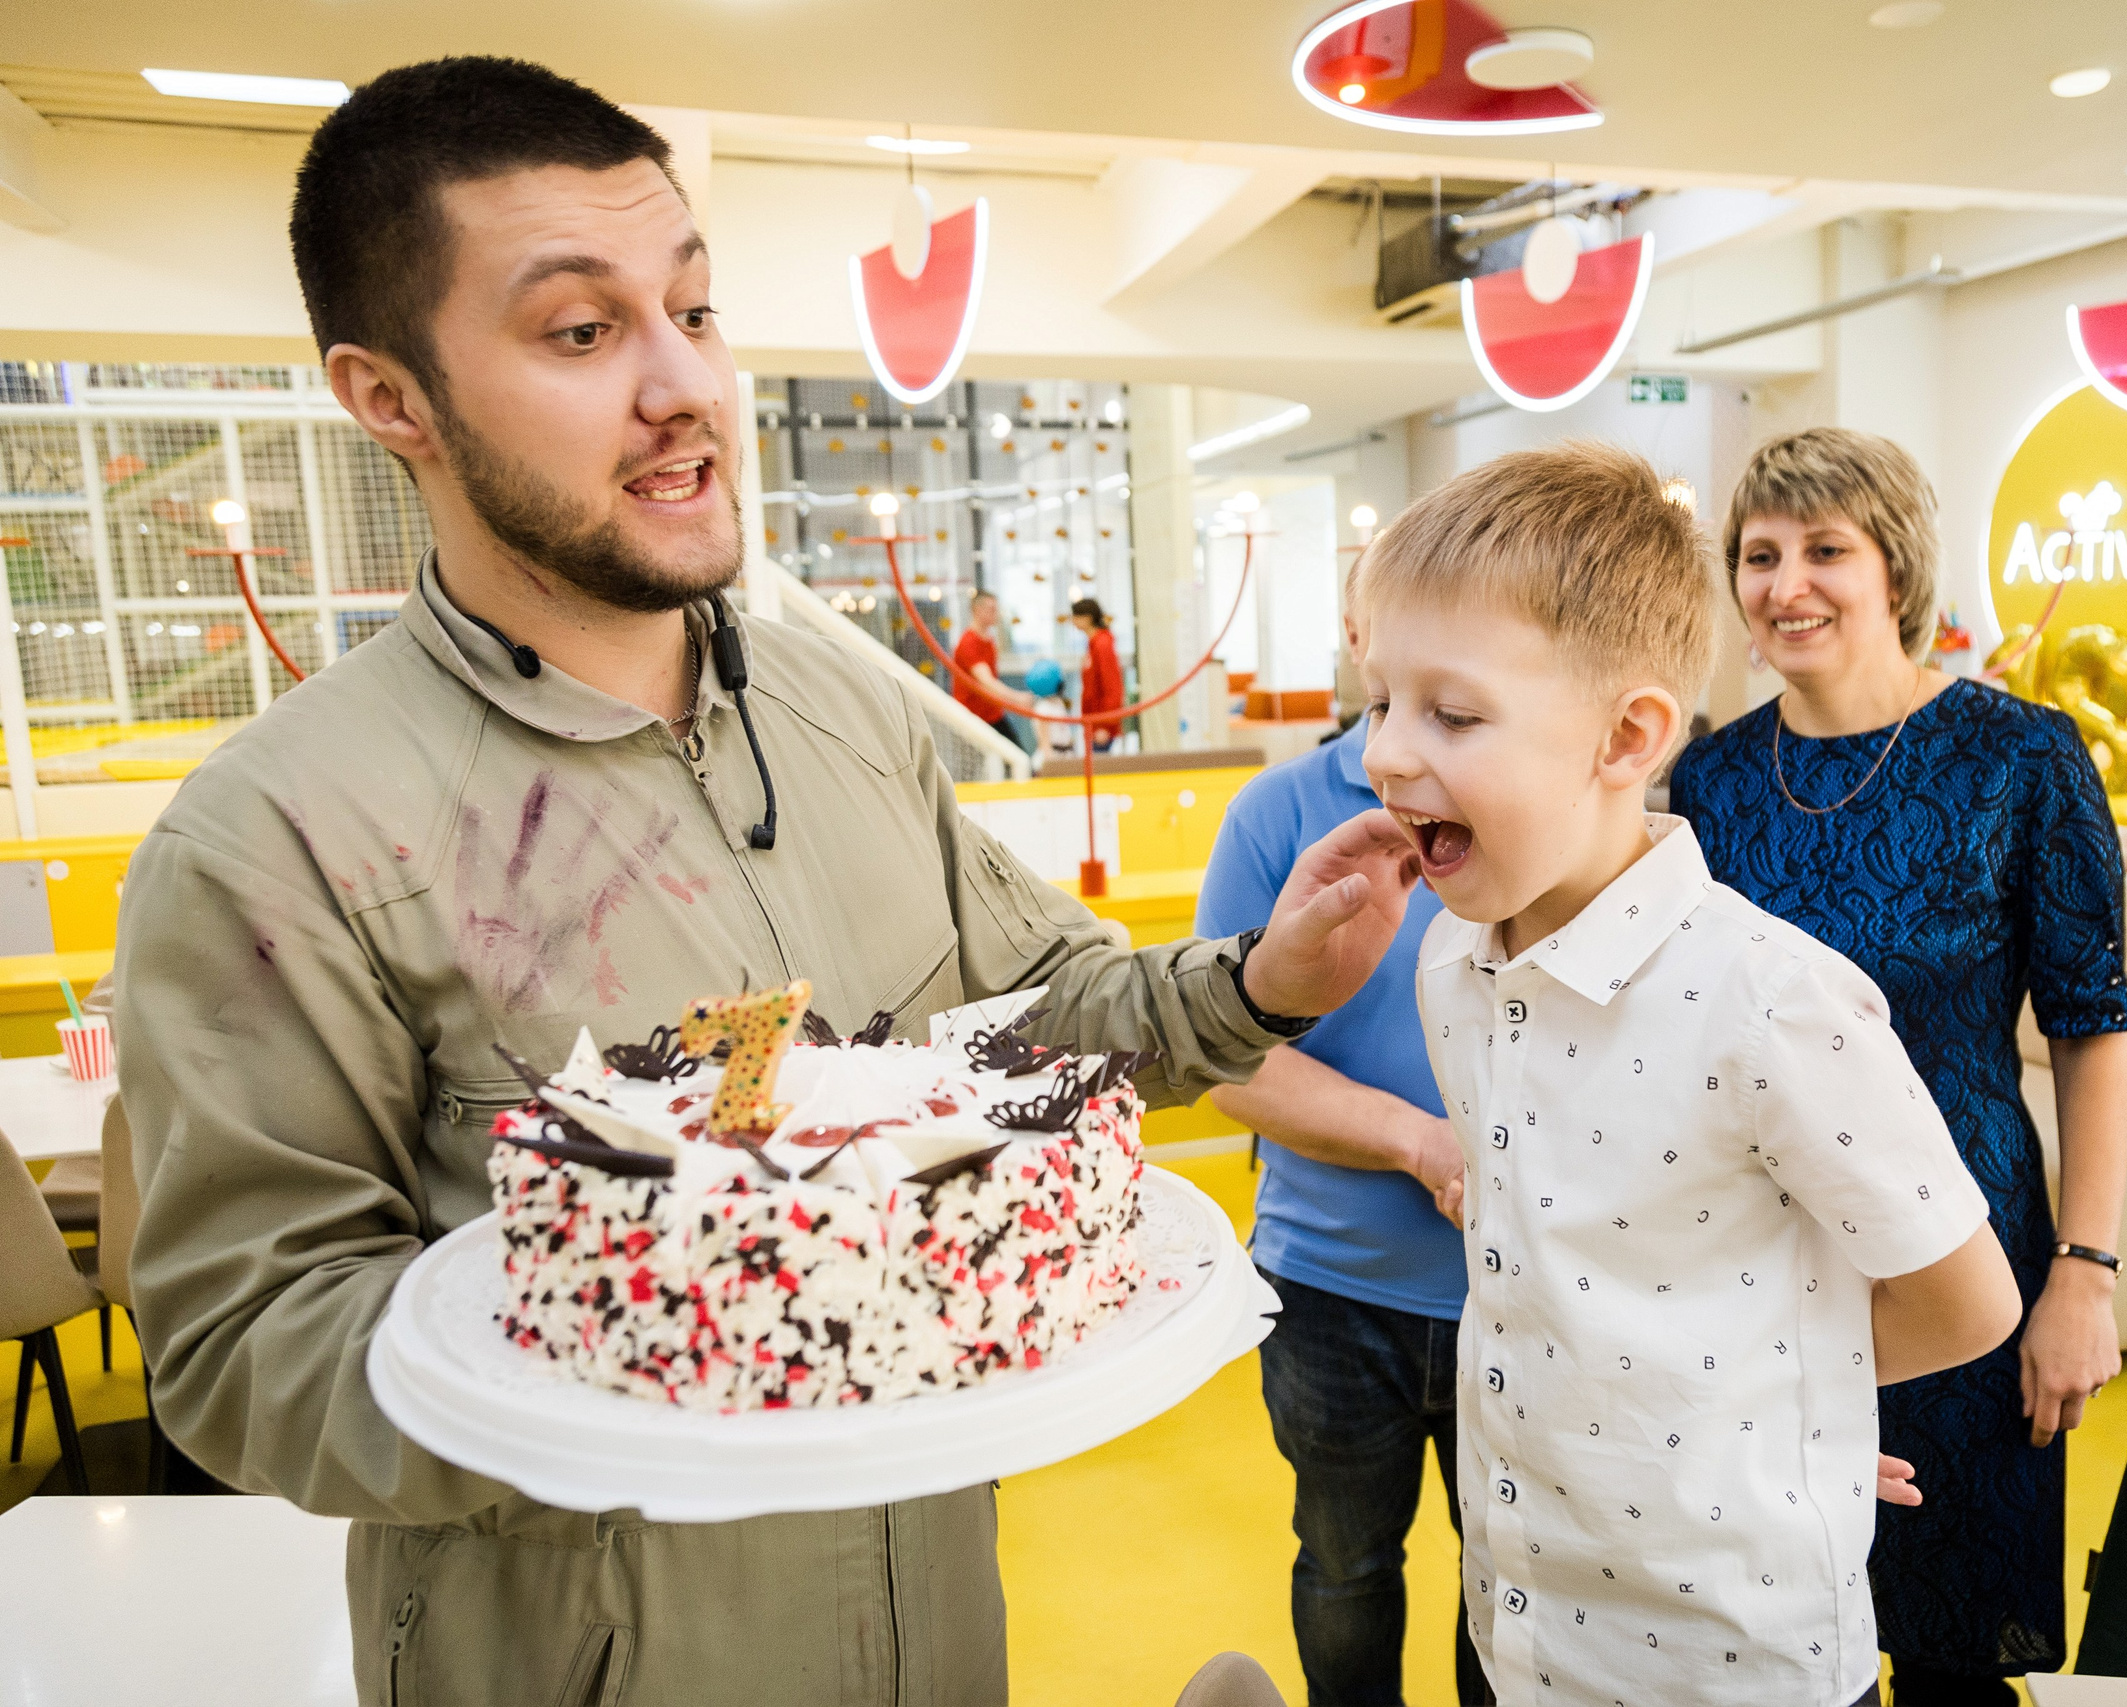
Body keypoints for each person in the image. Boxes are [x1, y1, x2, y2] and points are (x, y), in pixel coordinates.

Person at [110, 58, 1419, 1706]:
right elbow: (240, 1352)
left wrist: (1258, 982)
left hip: (936, 1631)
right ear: (392, 398)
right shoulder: (277, 837)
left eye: (698, 313)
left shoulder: (848, 708)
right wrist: (675, 1333)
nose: (685, 389)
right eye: (582, 333)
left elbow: (1039, 1011)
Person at [1357, 441, 2024, 1707]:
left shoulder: (1768, 1002)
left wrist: (1780, 1405)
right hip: (1523, 1617)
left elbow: (1968, 1300)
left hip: (1728, 1654)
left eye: (1449, 713)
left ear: (1627, 737)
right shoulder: (1451, 965)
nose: (1388, 753)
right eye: (1377, 697)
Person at [1669, 427, 2127, 1704]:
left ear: (1895, 570)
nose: (1785, 584)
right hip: (1768, 1259)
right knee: (1774, 1624)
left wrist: (2082, 1280)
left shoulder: (2024, 760)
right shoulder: (1705, 782)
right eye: (1758, 555)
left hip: (1965, 1255)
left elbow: (2090, 1030)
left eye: (1826, 548)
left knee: (1948, 1649)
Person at [1196, 576, 1487, 1707]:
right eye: (1390, 612)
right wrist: (1421, 1143)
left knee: (1509, 1582)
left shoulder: (1521, 822)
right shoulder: (1276, 815)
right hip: (1325, 1287)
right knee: (1345, 1566)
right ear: (1356, 631)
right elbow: (1226, 1066)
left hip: (1516, 1292)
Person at [955, 587, 1040, 753]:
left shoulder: (989, 639)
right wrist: (1018, 698)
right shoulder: (969, 643)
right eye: (991, 609)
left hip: (992, 713)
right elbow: (987, 681)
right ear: (977, 610)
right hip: (974, 717)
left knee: (1017, 757)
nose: (996, 613)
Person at [1071, 596, 1126, 751]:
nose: (1072, 622)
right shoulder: (1093, 644)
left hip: (1102, 724)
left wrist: (1105, 725)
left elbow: (1112, 686)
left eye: (1075, 617)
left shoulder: (1102, 644)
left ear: (1087, 618)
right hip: (1093, 722)